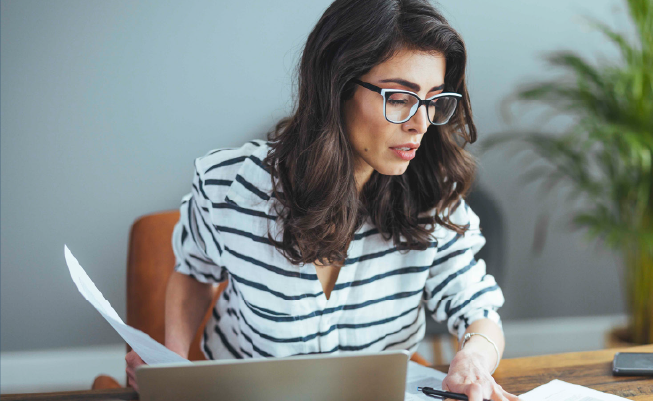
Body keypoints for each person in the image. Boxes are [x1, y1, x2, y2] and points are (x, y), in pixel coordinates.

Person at [125, 0, 515, 399]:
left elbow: (477, 309)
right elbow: (195, 273)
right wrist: (171, 363)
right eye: (399, 98)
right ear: (338, 86)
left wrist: (475, 359)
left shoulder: (431, 197)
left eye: (434, 100)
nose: (421, 123)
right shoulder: (230, 187)